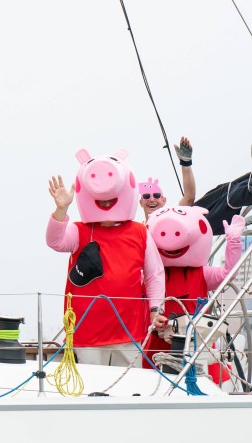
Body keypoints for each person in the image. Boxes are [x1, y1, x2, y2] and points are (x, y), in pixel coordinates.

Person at [46, 148, 166, 366]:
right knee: (90, 384)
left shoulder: (140, 232)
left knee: (130, 384)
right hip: (87, 332)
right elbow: (55, 242)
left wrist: (156, 309)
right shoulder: (79, 230)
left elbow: (154, 274)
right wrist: (61, 209)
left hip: (129, 331)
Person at [144, 206, 245, 380]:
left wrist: (233, 243)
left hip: (196, 340)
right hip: (157, 340)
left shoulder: (202, 273)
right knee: (150, 380)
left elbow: (228, 274)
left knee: (201, 379)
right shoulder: (150, 274)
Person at [138, 136, 196, 220]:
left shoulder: (172, 216)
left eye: (157, 195)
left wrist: (185, 162)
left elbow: (189, 198)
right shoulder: (137, 227)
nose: (151, 199)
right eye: (146, 196)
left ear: (164, 200)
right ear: (141, 202)